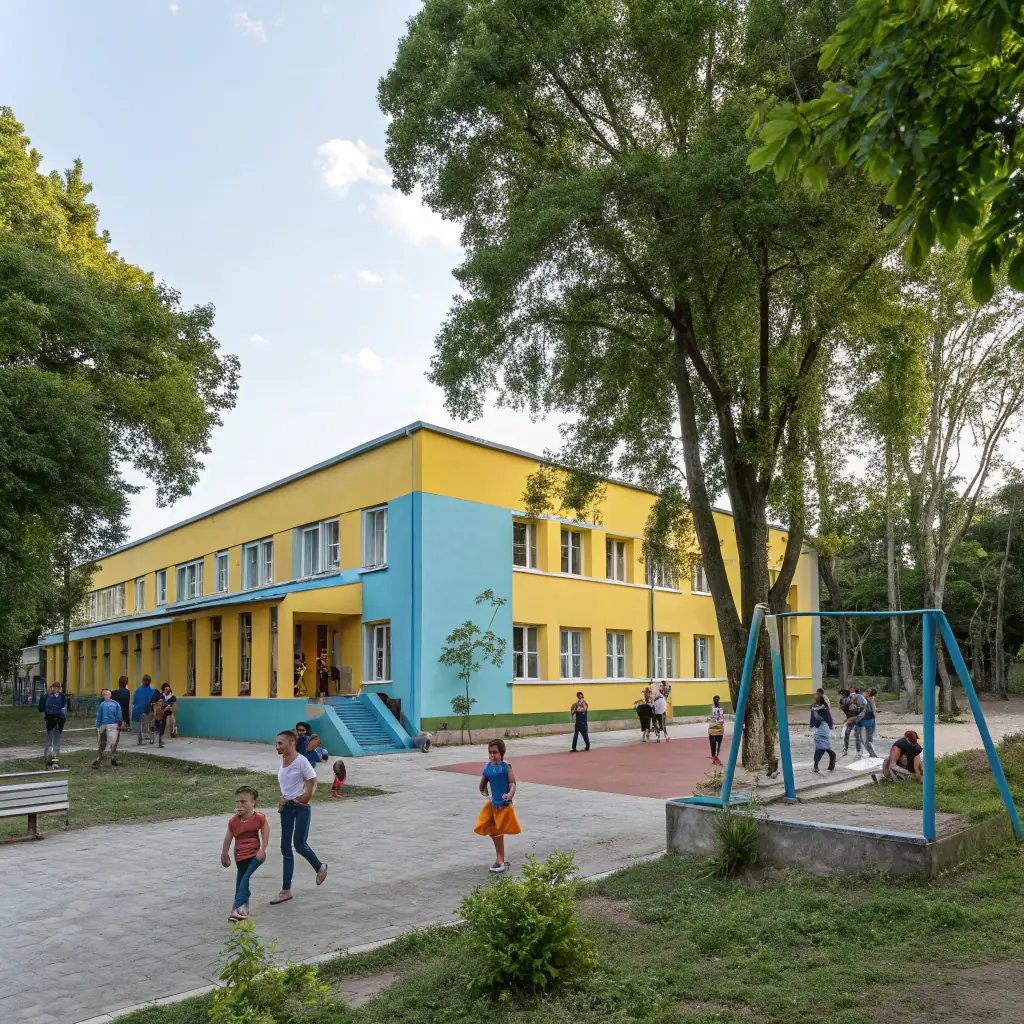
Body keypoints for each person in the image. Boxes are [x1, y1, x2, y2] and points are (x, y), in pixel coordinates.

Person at [270, 730, 327, 904]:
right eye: (276, 743)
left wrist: (306, 797)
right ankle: (286, 890)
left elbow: (313, 780)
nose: (277, 746)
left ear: (292, 743)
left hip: (301, 808)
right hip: (286, 808)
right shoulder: (284, 761)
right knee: (285, 847)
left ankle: (320, 867)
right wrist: (283, 797)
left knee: (299, 844)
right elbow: (288, 784)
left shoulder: (301, 761)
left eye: (280, 743)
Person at [221, 784, 269, 921]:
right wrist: (224, 854)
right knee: (241, 881)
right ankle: (243, 909)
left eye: (243, 801)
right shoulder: (233, 821)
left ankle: (236, 909)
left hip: (255, 855)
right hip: (240, 856)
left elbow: (265, 832)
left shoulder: (259, 818)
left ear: (253, 802)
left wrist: (263, 849)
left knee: (245, 877)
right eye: (237, 801)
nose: (239, 805)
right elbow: (228, 837)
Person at [475, 738, 520, 873]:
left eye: (495, 752)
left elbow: (512, 783)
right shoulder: (488, 767)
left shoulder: (506, 767)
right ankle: (500, 859)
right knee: (491, 830)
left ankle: (500, 861)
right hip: (492, 805)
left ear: (501, 753)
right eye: (490, 752)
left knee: (497, 832)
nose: (492, 755)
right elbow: (484, 780)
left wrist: (510, 794)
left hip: (504, 806)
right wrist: (483, 789)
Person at [38, 681, 67, 767]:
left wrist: (63, 718)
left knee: (57, 739)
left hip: (59, 720)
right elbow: (41, 708)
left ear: (59, 688)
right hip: (50, 720)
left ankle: (55, 758)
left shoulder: (62, 696)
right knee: (49, 739)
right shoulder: (46, 696)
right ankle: (48, 757)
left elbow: (63, 707)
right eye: (53, 687)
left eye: (57, 687)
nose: (54, 689)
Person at [93, 688, 123, 768]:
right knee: (102, 743)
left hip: (112, 725)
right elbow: (99, 715)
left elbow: (119, 715)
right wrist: (97, 726)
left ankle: (113, 758)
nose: (106, 696)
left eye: (107, 694)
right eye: (104, 694)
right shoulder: (102, 705)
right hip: (103, 725)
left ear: (110, 695)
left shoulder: (115, 704)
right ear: (102, 696)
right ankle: (101, 758)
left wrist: (118, 724)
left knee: (113, 742)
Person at [810, 700, 836, 773]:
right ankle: (817, 766)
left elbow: (827, 719)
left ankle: (817, 766)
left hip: (821, 729)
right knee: (822, 747)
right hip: (821, 729)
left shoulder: (818, 708)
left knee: (822, 747)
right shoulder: (818, 708)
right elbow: (827, 719)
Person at [841, 686, 867, 757]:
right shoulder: (845, 700)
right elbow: (846, 710)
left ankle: (860, 751)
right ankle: (846, 749)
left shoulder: (859, 697)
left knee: (858, 735)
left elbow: (864, 708)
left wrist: (855, 718)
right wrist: (848, 718)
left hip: (859, 718)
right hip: (852, 717)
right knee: (847, 732)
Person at [133, 674, 157, 746]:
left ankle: (140, 740)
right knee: (151, 724)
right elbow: (154, 700)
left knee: (140, 725)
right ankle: (152, 739)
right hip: (149, 709)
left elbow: (134, 701)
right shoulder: (152, 690)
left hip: (139, 709)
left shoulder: (138, 690)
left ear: (142, 681)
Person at [855, 687, 878, 758]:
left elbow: (874, 713)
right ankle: (859, 752)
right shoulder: (859, 698)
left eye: (867, 691)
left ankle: (872, 753)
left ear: (869, 694)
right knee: (858, 738)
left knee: (868, 738)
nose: (865, 692)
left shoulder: (870, 700)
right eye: (866, 690)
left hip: (869, 721)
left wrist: (872, 703)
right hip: (860, 721)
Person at [708, 695, 725, 765]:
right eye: (715, 699)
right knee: (716, 742)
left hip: (716, 727)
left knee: (716, 742)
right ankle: (715, 755)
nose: (716, 700)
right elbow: (720, 718)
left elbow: (719, 718)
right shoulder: (718, 708)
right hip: (716, 727)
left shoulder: (719, 708)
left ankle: (715, 756)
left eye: (716, 699)